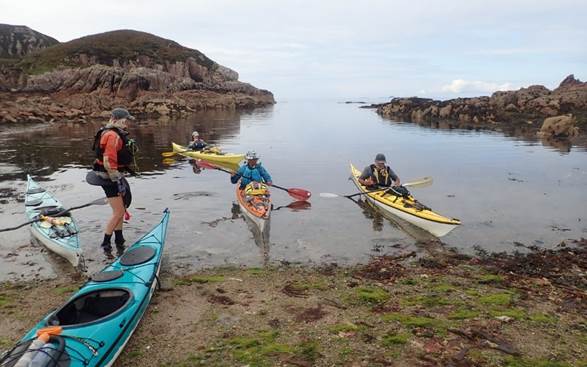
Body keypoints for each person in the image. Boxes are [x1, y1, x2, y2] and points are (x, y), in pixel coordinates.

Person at [89, 108, 136, 258]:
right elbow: (108, 161)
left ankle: (119, 239)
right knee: (118, 212)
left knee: (121, 210)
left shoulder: (112, 132)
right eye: (125, 120)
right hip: (108, 177)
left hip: (112, 176)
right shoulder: (112, 136)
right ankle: (106, 243)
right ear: (117, 119)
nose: (126, 123)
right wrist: (116, 179)